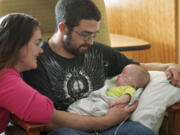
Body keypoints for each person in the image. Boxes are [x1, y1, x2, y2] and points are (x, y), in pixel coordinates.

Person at [22, 0, 180, 134]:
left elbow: (138, 67)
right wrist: (105, 121)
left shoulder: (96, 50)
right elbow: (49, 119)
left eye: (94, 34)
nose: (90, 41)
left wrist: (170, 65)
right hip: (69, 128)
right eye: (85, 35)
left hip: (111, 123)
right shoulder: (37, 60)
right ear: (63, 28)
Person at [68, 64, 150, 116]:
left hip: (109, 103)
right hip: (102, 98)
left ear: (133, 85)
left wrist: (116, 101)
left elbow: (127, 97)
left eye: (124, 75)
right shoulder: (115, 86)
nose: (119, 76)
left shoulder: (129, 89)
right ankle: (77, 112)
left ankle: (79, 113)